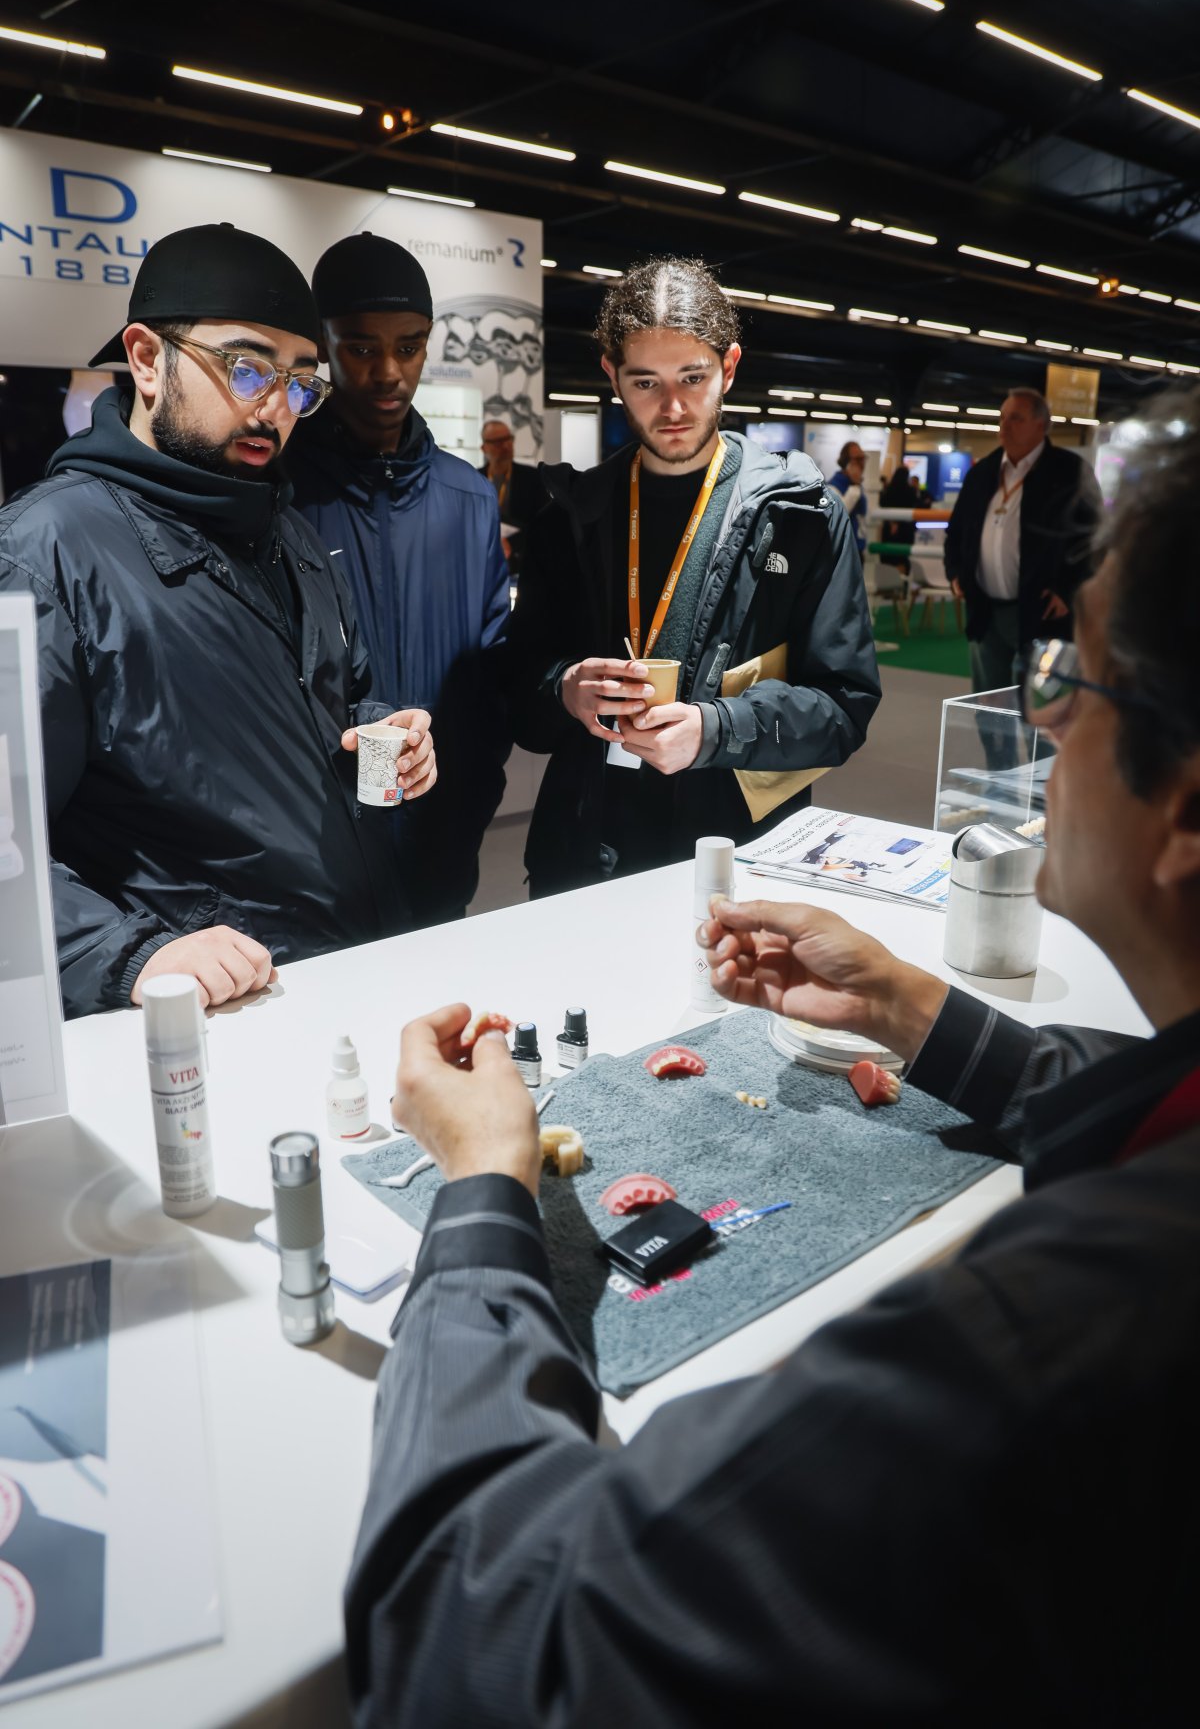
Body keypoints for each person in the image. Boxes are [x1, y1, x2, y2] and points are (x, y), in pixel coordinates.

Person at [344, 391, 1200, 1725]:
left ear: (1184, 812)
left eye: (1066, 677)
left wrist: (480, 1199)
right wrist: (913, 1007)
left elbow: (479, 1627)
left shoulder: (1032, 1344)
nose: (1040, 725)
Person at [0, 223, 435, 1018]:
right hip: (204, 1017)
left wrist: (386, 738)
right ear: (145, 359)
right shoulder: (44, 555)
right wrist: (132, 952)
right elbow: (7, 850)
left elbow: (341, 701)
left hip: (345, 974)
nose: (276, 408)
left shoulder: (290, 533)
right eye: (246, 368)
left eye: (300, 381)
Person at [503, 258, 880, 898]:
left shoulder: (801, 518)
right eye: (645, 382)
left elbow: (844, 708)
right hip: (586, 854)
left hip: (737, 860)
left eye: (693, 377)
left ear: (729, 367)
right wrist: (563, 688)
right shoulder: (570, 517)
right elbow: (519, 691)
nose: (672, 407)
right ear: (612, 376)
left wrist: (715, 729)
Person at [287, 233, 511, 926]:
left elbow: (490, 676)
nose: (388, 371)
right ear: (323, 344)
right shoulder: (278, 493)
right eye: (361, 347)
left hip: (443, 847)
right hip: (315, 859)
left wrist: (469, 799)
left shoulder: (468, 498)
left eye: (409, 346)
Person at [944, 388, 1101, 694]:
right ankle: (994, 730)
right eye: (1002, 418)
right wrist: (955, 573)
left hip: (1042, 611)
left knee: (1040, 704)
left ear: (1041, 425)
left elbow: (1093, 539)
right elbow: (956, 532)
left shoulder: (1070, 473)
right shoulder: (982, 473)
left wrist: (1068, 590)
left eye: (1015, 418)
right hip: (985, 611)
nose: (1004, 425)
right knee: (987, 702)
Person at [478, 418, 544, 574]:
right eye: (498, 442)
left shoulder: (533, 478)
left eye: (509, 439)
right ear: (484, 448)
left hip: (524, 562)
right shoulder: (474, 479)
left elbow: (542, 522)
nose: (506, 445)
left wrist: (511, 543)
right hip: (482, 561)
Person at [826, 439, 869, 554]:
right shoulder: (833, 487)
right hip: (842, 551)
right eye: (858, 459)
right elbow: (840, 514)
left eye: (863, 458)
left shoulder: (856, 485)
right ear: (846, 462)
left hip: (857, 548)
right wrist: (855, 484)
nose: (862, 463)